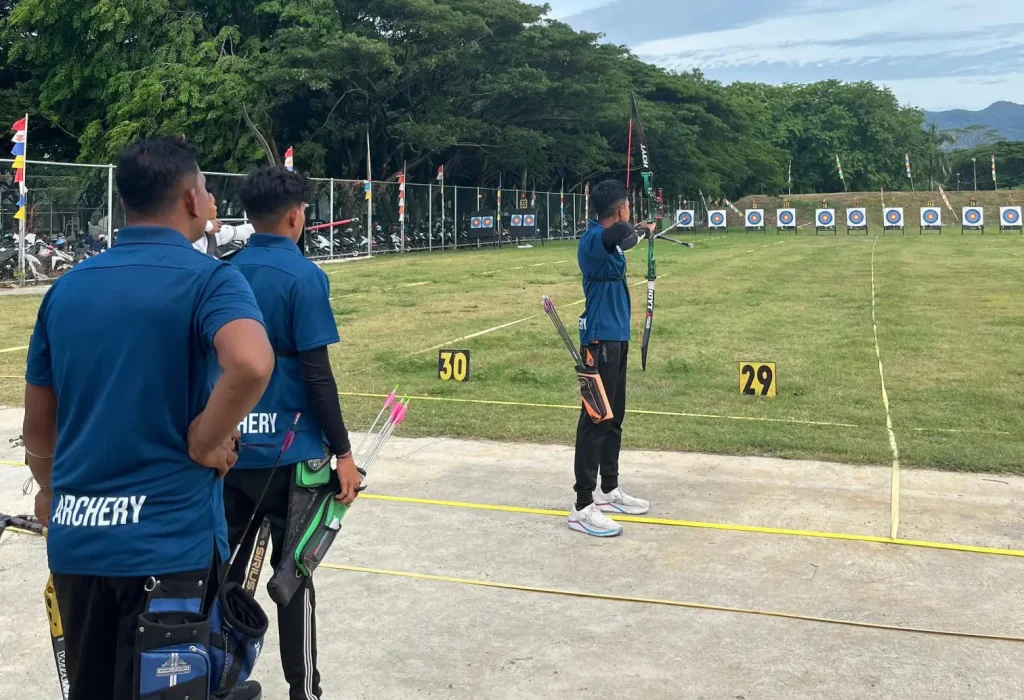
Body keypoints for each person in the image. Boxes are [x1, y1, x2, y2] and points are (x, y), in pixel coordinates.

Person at [22, 136, 275, 700]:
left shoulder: (66, 289)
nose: (211, 201)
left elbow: (39, 429)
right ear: (190, 199)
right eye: (208, 190)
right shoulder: (209, 278)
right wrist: (207, 441)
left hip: (79, 546)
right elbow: (253, 363)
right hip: (168, 547)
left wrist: (48, 487)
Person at [222, 166, 361, 700]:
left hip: (229, 449)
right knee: (292, 579)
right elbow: (316, 373)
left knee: (223, 572)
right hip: (292, 454)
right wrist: (343, 452)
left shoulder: (223, 272)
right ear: (296, 216)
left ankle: (215, 675)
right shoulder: (304, 277)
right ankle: (302, 690)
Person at [569, 180, 654, 537]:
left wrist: (641, 231)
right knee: (595, 418)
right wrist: (637, 229)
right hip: (599, 338)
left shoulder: (611, 238)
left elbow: (622, 236)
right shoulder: (591, 239)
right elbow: (617, 234)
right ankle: (582, 505)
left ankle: (609, 489)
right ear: (619, 210)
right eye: (628, 207)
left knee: (614, 415)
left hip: (616, 337)